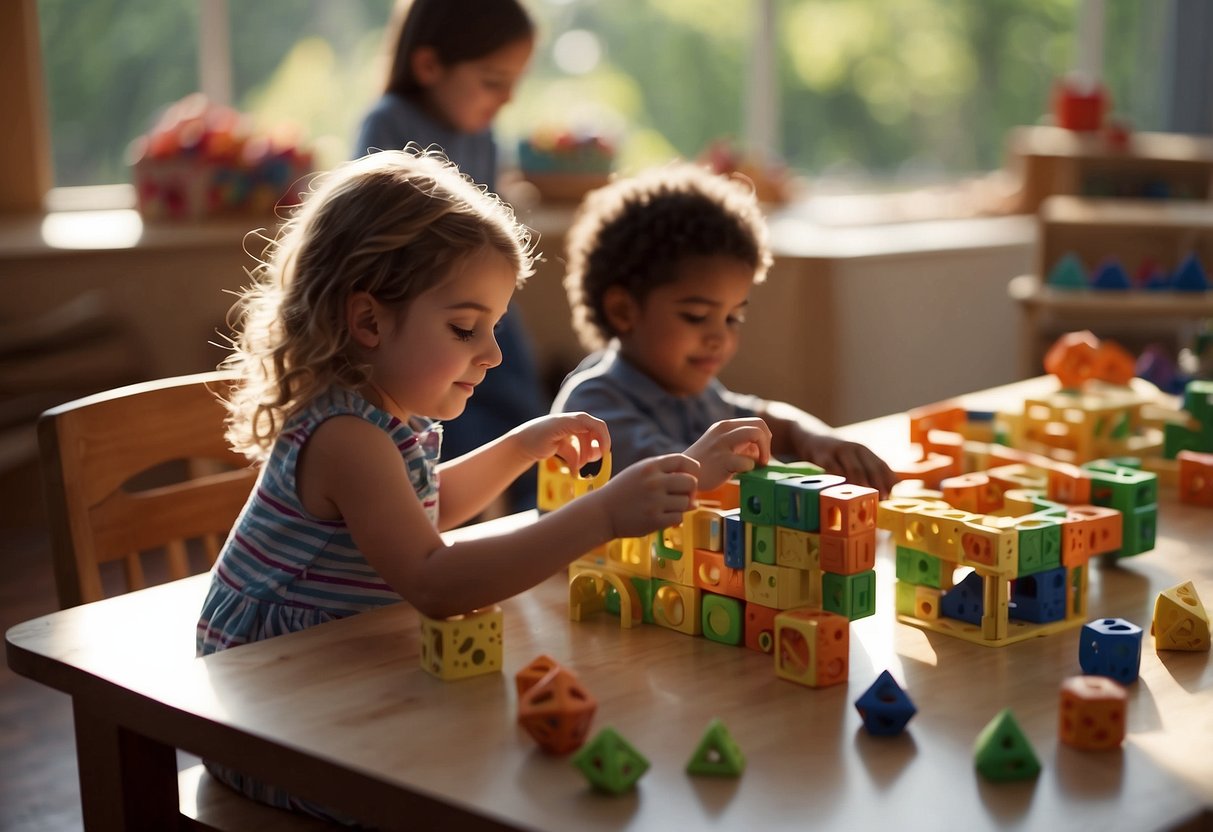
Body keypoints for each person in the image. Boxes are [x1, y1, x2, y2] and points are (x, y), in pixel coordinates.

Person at [197, 149, 769, 821]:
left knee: (517, 746)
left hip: (345, 665)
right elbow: (436, 580)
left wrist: (525, 444)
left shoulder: (384, 414)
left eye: (493, 328)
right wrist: (602, 516)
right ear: (369, 321)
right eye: (465, 327)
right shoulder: (346, 436)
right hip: (272, 710)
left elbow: (423, 507)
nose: (492, 354)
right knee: (488, 781)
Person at [552, 162, 897, 496]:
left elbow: (767, 418)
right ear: (623, 311)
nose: (720, 338)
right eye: (697, 316)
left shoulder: (700, 395)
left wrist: (814, 436)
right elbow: (653, 484)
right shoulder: (592, 407)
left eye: (733, 318)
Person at [352, 0, 544, 514]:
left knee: (519, 405)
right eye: (492, 80)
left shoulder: (482, 134)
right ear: (429, 65)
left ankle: (536, 508)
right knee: (450, 418)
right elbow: (372, 241)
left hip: (485, 310)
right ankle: (452, 518)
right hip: (427, 317)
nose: (506, 98)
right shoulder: (387, 126)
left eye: (513, 83)